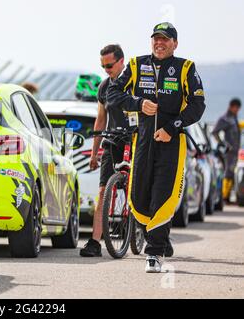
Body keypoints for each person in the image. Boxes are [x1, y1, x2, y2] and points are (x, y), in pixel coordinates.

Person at [107, 22, 206, 272]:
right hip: (142, 139)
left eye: (165, 39)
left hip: (171, 143)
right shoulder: (135, 65)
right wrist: (138, 103)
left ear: (175, 43)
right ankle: (158, 233)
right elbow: (113, 94)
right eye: (156, 38)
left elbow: (198, 105)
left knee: (164, 193)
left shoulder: (185, 68)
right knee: (139, 195)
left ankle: (154, 252)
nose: (159, 43)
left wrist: (172, 127)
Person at [80, 44, 130, 257]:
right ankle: (94, 242)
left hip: (136, 141)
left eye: (110, 65)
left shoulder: (135, 82)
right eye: (103, 66)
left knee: (141, 191)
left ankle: (157, 236)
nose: (107, 69)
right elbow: (101, 120)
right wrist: (94, 153)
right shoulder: (104, 87)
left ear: (121, 61)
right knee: (103, 191)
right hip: (113, 142)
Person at [212, 98, 242, 202]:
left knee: (232, 173)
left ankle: (227, 196)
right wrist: (223, 144)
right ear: (232, 107)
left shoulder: (234, 118)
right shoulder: (225, 119)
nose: (237, 110)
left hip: (235, 152)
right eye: (236, 108)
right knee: (227, 173)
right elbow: (214, 132)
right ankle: (224, 197)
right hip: (228, 152)